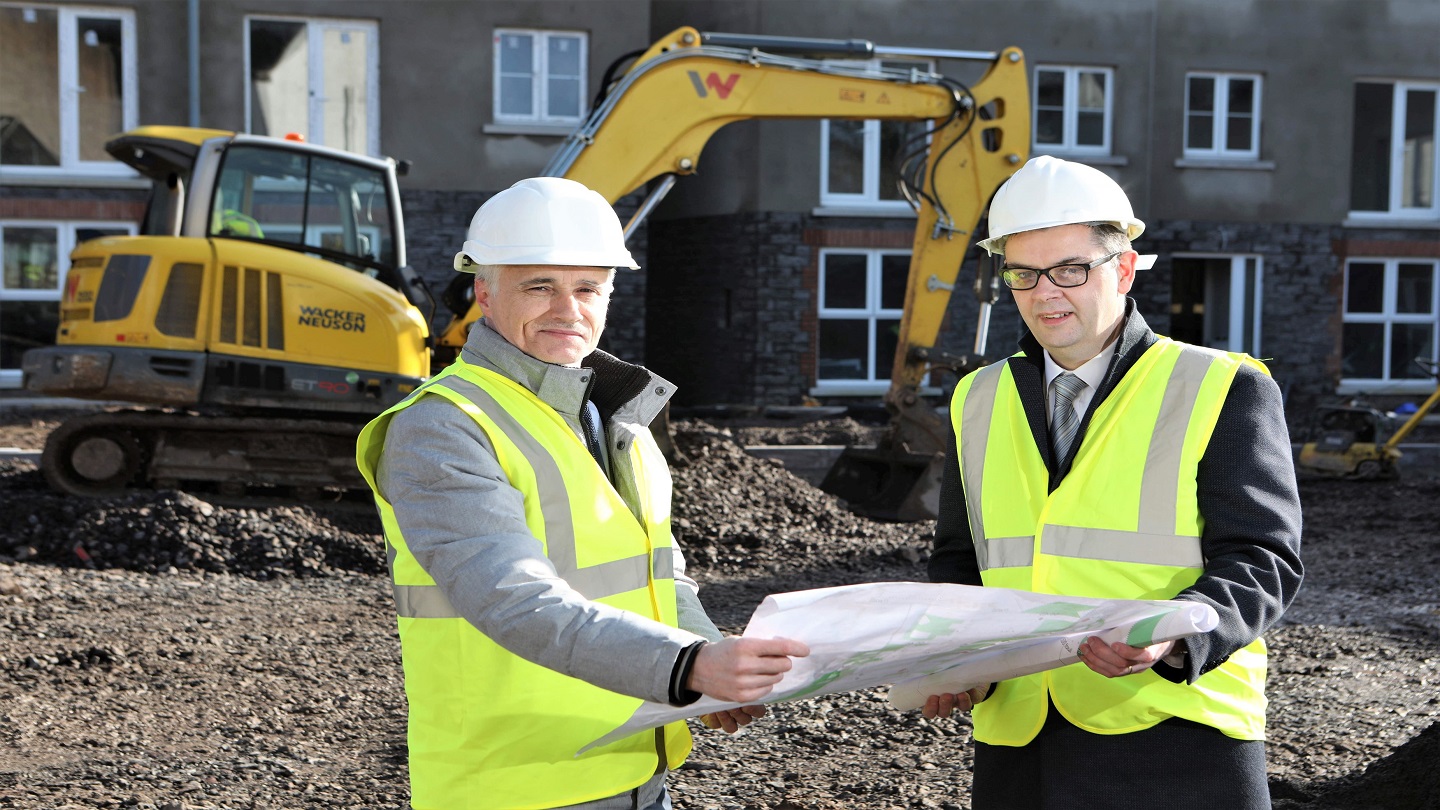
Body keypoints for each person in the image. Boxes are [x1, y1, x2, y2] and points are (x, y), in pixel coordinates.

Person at [356, 177, 809, 810]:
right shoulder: (443, 425)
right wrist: (688, 666)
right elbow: (512, 599)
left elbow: (659, 574)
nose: (567, 310)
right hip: (517, 785)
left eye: (587, 288)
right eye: (539, 285)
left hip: (635, 768)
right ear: (484, 292)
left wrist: (707, 662)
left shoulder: (611, 415)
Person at [923, 156, 1303, 809]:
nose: (1045, 293)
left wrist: (1178, 634)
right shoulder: (975, 399)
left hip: (1177, 739)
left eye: (1070, 269)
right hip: (1020, 745)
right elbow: (963, 560)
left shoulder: (1221, 387)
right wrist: (954, 660)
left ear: (1124, 269)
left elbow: (1264, 558)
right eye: (1023, 273)